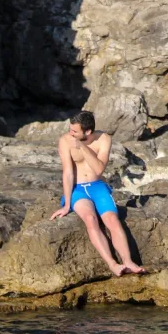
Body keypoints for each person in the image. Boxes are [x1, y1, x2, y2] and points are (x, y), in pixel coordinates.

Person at [50, 109, 145, 276]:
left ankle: (128, 262)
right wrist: (66, 205)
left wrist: (81, 147)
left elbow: (99, 169)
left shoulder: (104, 139)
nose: (70, 133)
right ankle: (112, 264)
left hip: (97, 186)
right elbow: (68, 173)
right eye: (70, 129)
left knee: (112, 220)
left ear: (87, 131)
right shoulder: (65, 141)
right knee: (90, 218)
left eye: (75, 131)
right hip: (78, 189)